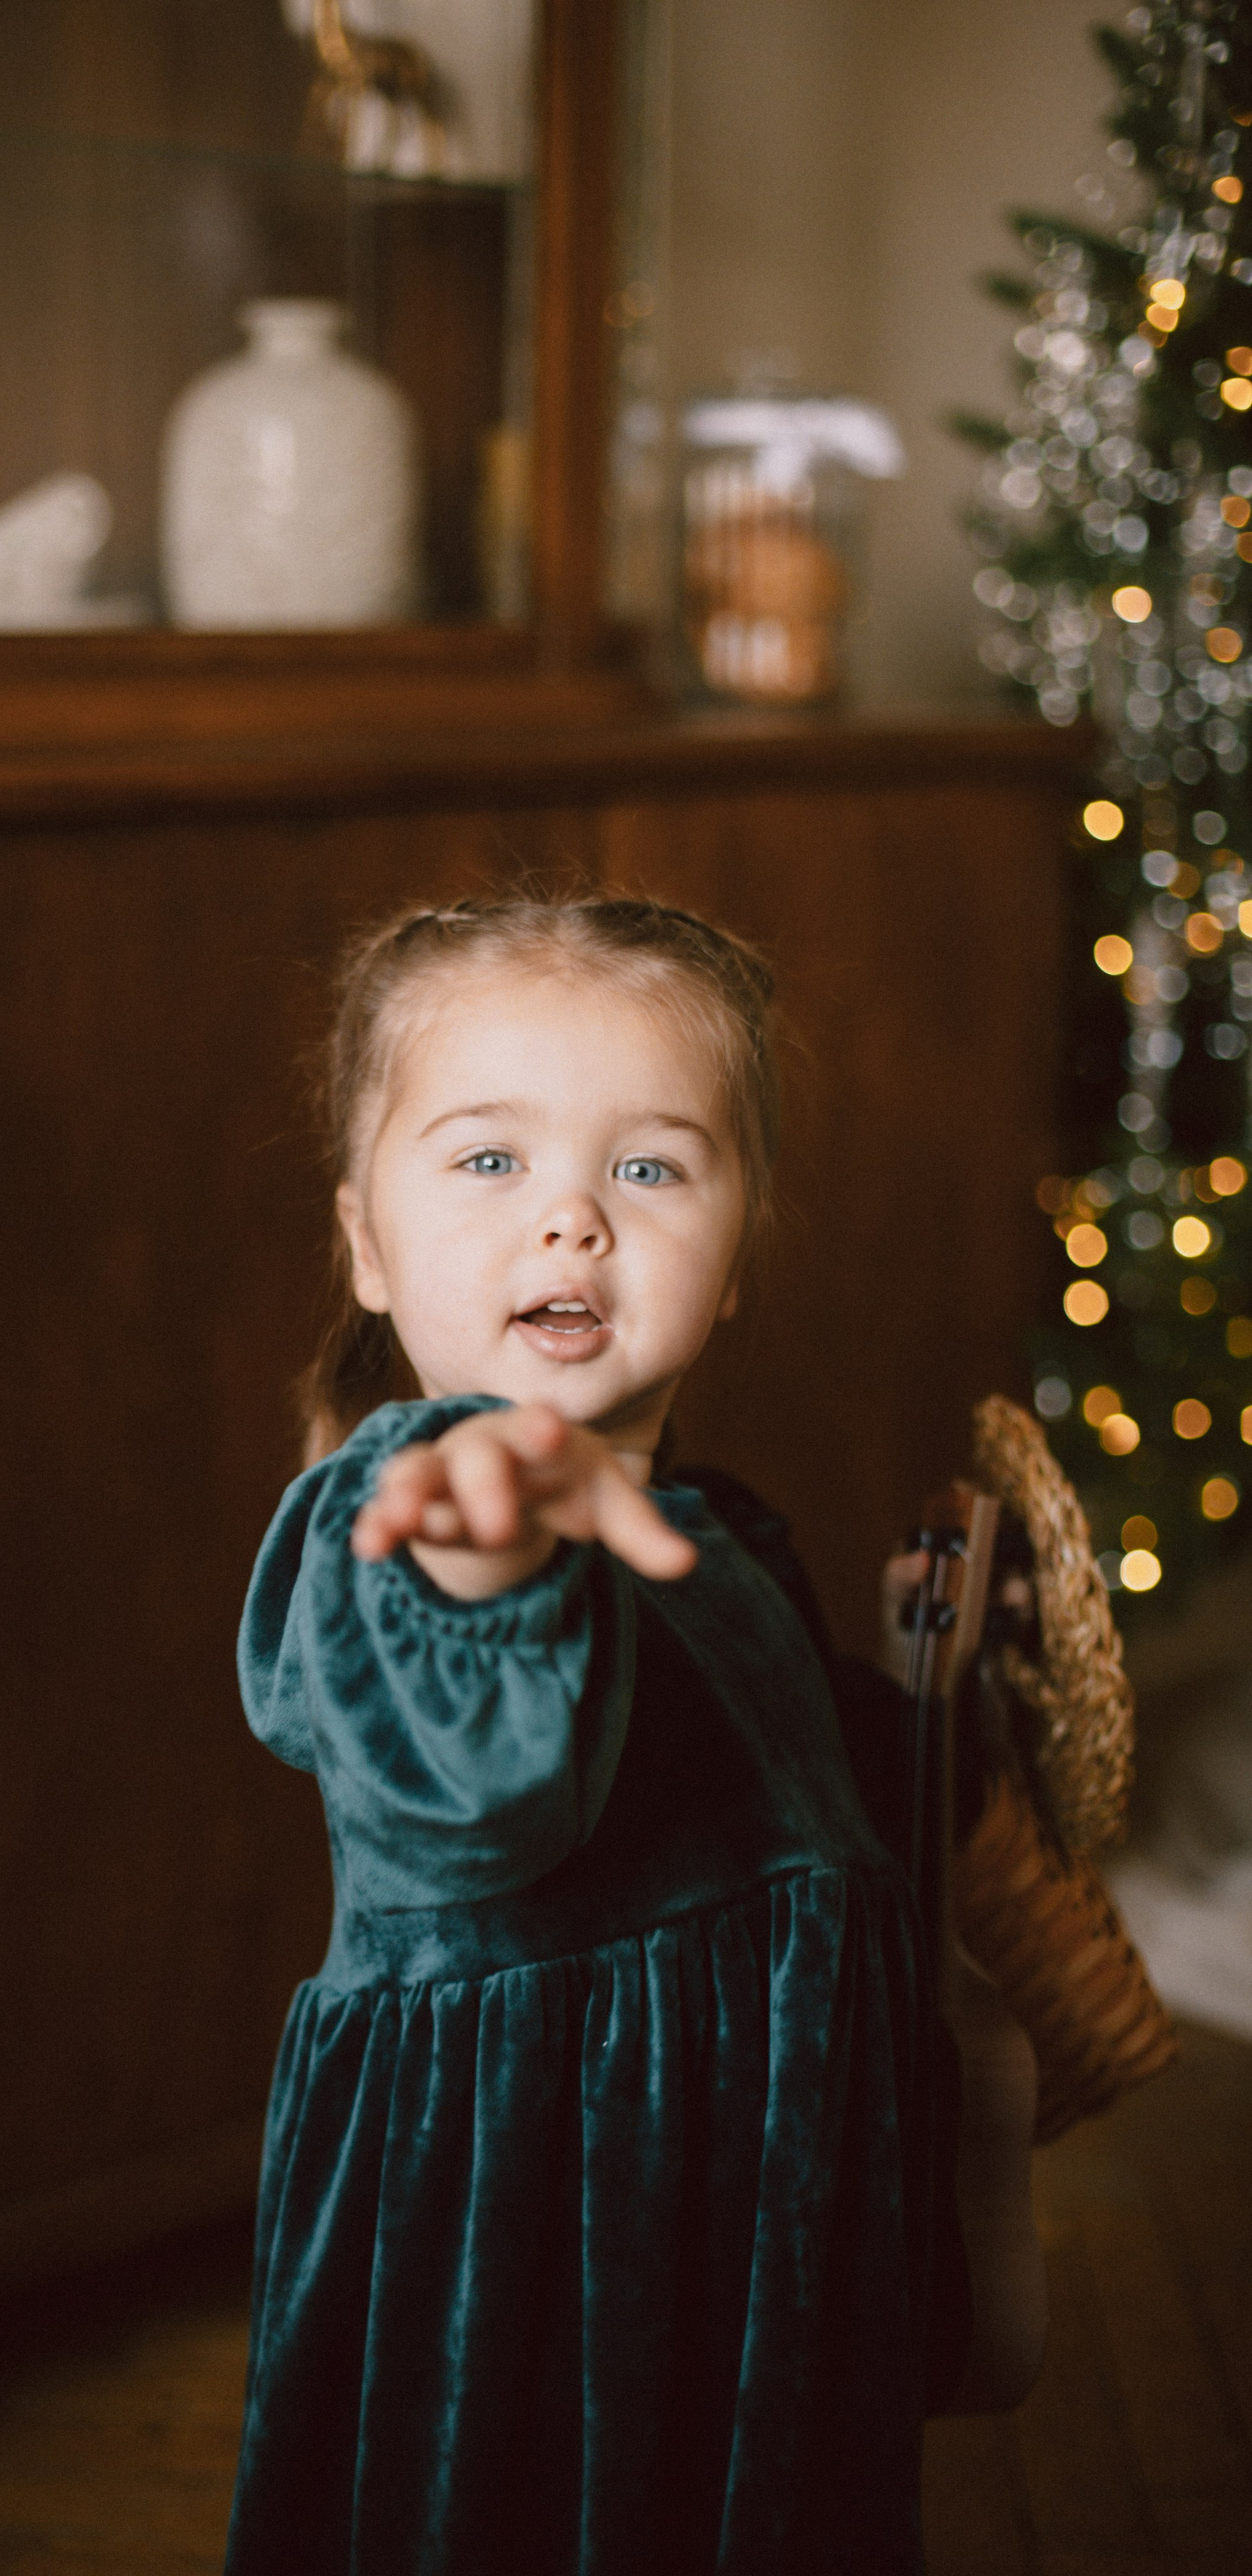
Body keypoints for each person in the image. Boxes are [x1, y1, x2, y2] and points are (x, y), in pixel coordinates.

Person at [225, 892, 950, 2575]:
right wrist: (486, 1535)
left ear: (742, 1234)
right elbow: (481, 1786)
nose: (568, 1222)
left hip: (749, 2244)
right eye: (487, 1163)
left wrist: (928, 1695)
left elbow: (797, 1826)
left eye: (647, 1167)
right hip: (523, 2258)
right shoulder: (397, 1525)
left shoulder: (716, 1537)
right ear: (364, 1242)